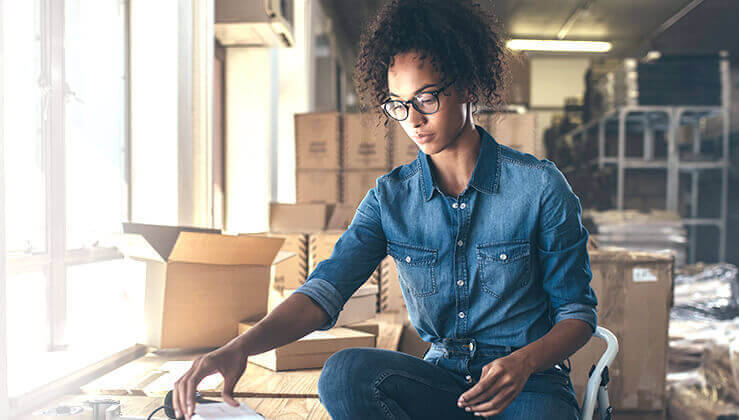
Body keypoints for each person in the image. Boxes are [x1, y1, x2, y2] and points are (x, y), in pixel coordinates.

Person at [171, 0, 598, 418]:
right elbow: (324, 292)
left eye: (427, 98)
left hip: (529, 386)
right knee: (344, 374)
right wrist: (239, 347)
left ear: (468, 85)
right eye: (399, 104)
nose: (413, 119)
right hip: (443, 384)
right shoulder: (390, 198)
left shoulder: (539, 187)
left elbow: (576, 315)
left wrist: (524, 362)